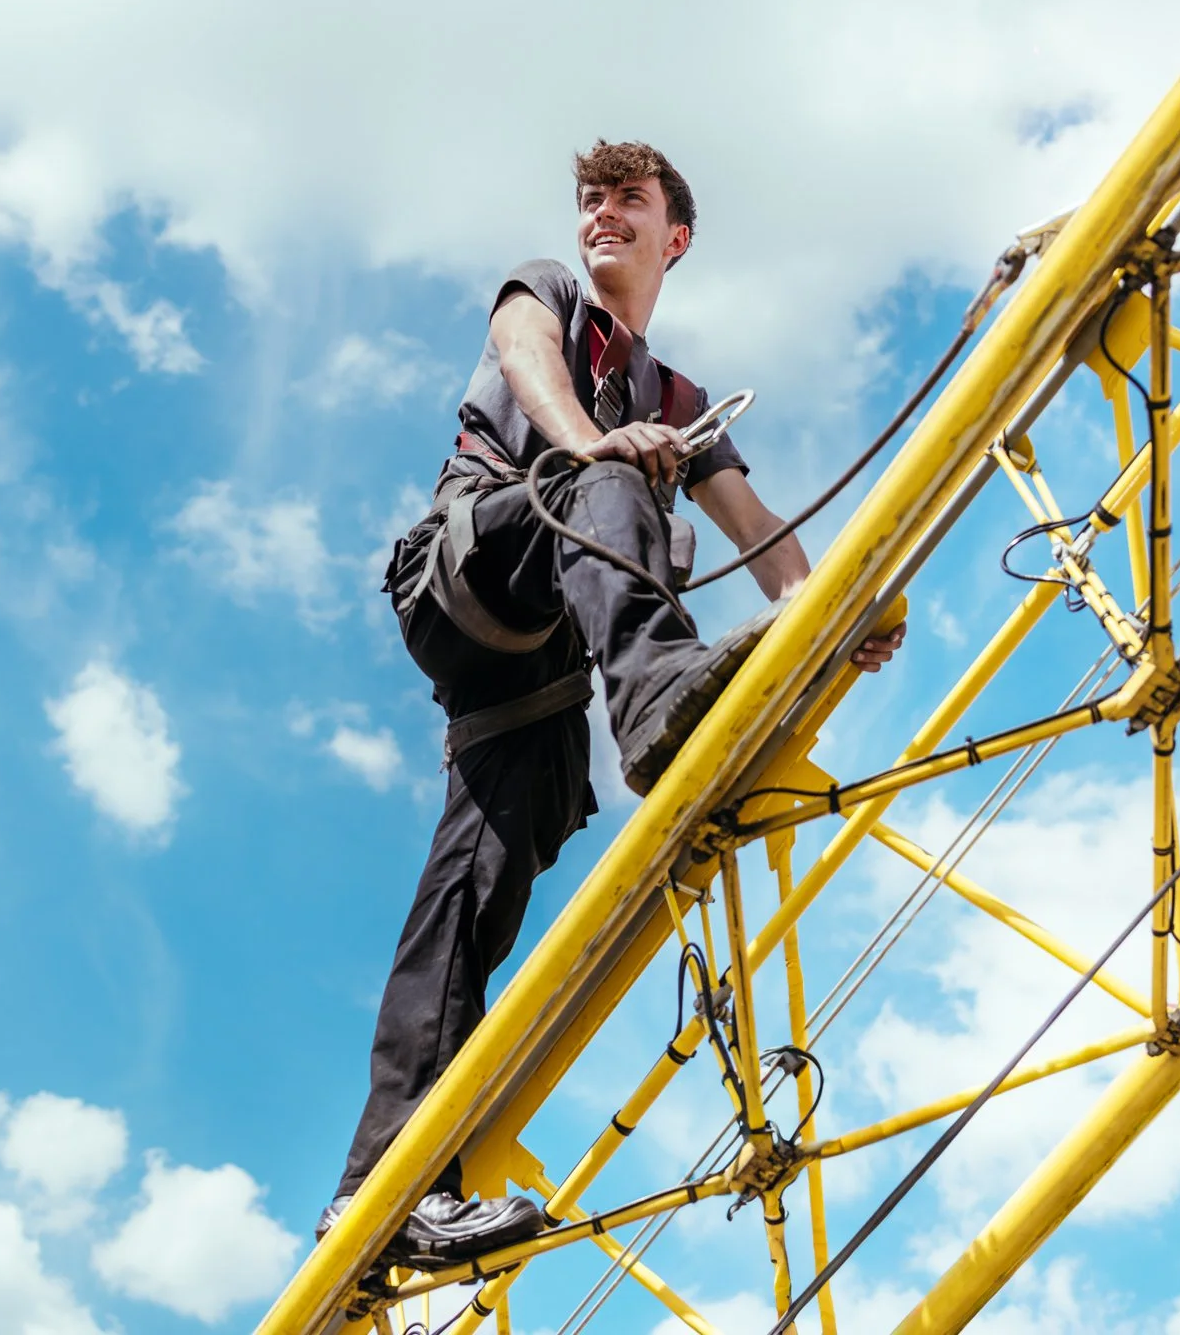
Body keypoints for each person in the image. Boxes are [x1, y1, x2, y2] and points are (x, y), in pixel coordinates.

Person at [324, 140, 904, 1267]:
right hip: (471, 563)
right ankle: (651, 695)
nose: (601, 215)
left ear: (674, 235)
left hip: (535, 649)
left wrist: (833, 614)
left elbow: (761, 536)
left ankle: (385, 1192)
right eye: (592, 198)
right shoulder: (543, 292)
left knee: (486, 868)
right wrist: (603, 445)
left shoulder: (681, 398)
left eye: (628, 201)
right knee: (617, 481)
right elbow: (529, 367)